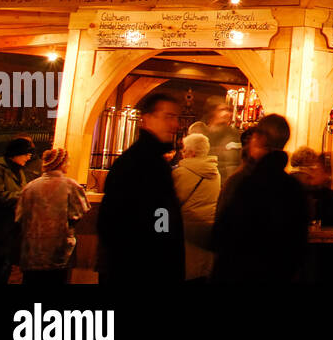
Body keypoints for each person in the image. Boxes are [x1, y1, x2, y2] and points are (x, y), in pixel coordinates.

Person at [97, 92, 186, 284]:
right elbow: (154, 217)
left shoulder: (151, 161)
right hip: (142, 271)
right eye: (168, 116)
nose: (175, 125)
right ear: (146, 119)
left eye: (176, 117)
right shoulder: (141, 163)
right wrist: (162, 250)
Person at [210, 114, 310, 283]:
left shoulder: (244, 183)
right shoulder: (294, 188)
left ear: (259, 139)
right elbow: (297, 246)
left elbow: (222, 235)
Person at [16, 148, 88, 285]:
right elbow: (77, 214)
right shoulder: (71, 186)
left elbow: (19, 216)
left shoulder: (30, 187)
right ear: (62, 163)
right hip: (59, 251)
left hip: (32, 251)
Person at [172, 132, 220, 281]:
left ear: (191, 153)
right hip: (207, 232)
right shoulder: (215, 172)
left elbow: (171, 203)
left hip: (187, 233)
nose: (182, 153)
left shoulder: (182, 172)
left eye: (184, 150)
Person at [0, 137, 33, 280]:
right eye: (26, 153)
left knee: (7, 264)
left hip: (13, 226)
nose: (28, 157)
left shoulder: (19, 171)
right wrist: (23, 195)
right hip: (0, 226)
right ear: (16, 154)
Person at [187, 98, 241, 183]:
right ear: (212, 112)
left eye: (228, 110)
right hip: (206, 184)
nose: (227, 113)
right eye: (222, 110)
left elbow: (234, 163)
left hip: (226, 184)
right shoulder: (201, 132)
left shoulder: (233, 134)